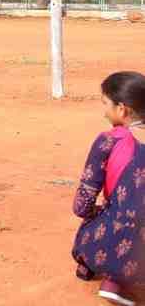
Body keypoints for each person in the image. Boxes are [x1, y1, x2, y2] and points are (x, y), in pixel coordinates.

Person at [72, 71, 145, 305]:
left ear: (122, 109)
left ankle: (101, 275)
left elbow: (85, 195)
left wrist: (87, 213)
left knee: (97, 223)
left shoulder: (108, 140)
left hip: (108, 237)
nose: (104, 111)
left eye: (106, 104)